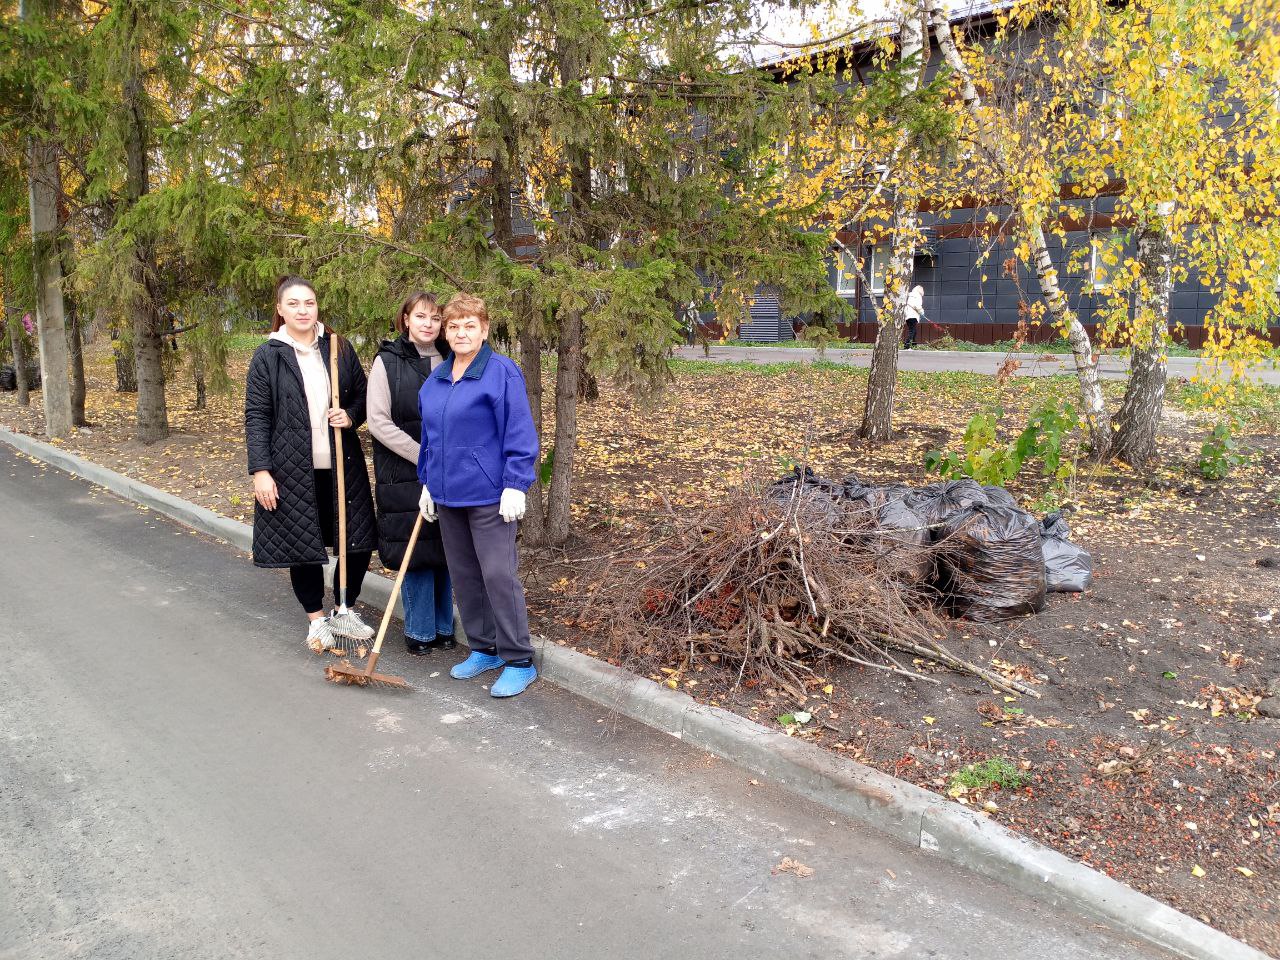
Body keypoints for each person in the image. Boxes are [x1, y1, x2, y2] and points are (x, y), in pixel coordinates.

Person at [245, 275, 378, 651]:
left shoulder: (338, 348)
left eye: (309, 303)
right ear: (280, 309)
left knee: (356, 540)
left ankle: (343, 610)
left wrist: (350, 416)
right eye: (294, 304)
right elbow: (257, 416)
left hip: (341, 465)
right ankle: (317, 620)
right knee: (302, 544)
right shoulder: (268, 356)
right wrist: (261, 471)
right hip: (292, 469)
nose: (303, 310)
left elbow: (362, 395)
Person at [416, 293, 539, 698]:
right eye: (454, 326)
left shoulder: (501, 373)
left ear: (484, 330)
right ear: (445, 332)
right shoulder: (437, 379)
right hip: (448, 496)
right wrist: (427, 483)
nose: (461, 333)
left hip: (491, 496)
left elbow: (519, 431)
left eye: (470, 325)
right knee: (465, 576)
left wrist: (515, 484)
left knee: (498, 575)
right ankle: (484, 648)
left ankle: (518, 659)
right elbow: (430, 438)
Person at [367, 292, 456, 656]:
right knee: (416, 548)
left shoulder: (452, 358)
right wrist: (423, 456)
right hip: (403, 470)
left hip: (449, 467)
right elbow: (378, 421)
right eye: (420, 316)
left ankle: (444, 626)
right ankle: (419, 630)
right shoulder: (387, 361)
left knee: (446, 546)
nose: (428, 324)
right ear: (405, 319)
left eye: (435, 318)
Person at [903, 283, 924, 350]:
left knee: (913, 330)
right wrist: (921, 311)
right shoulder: (917, 295)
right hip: (913, 315)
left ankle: (914, 344)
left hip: (907, 315)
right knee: (912, 331)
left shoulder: (909, 295)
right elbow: (917, 305)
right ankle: (907, 345)